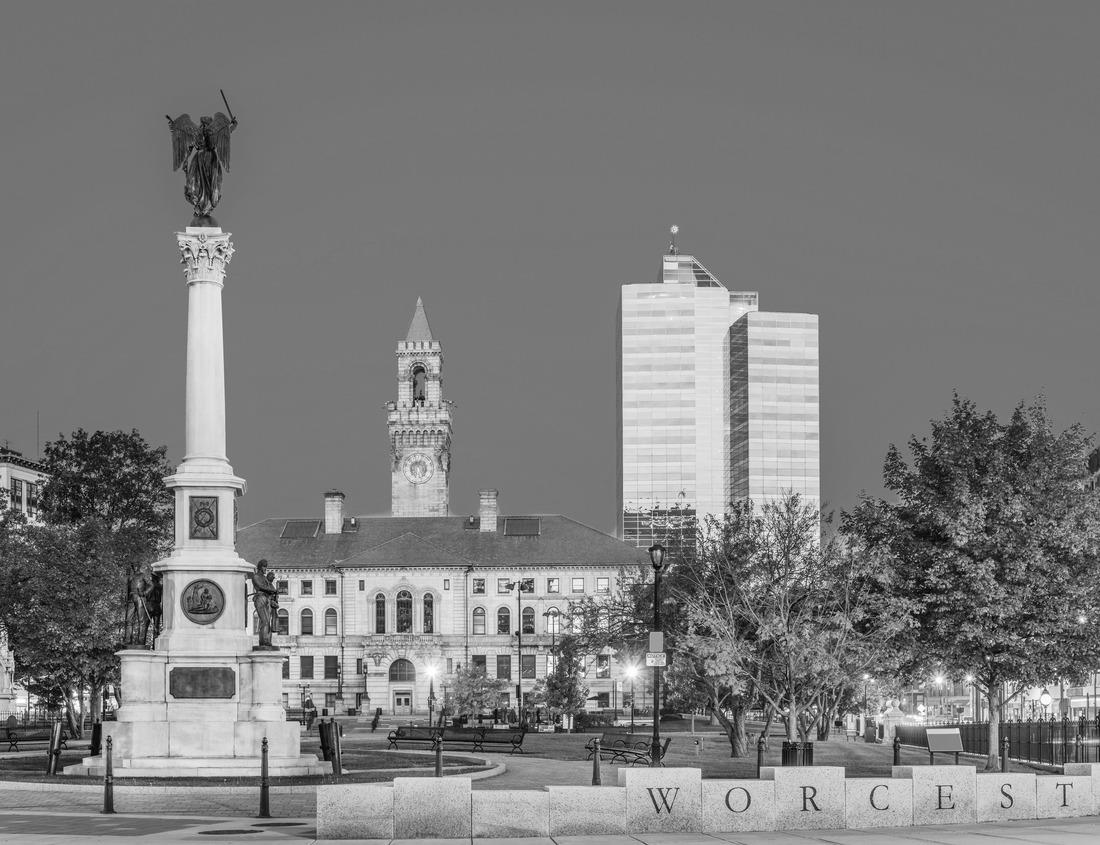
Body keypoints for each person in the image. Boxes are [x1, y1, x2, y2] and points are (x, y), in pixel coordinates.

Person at [251, 559, 278, 649]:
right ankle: (263, 641)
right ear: (260, 567)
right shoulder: (256, 576)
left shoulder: (264, 577)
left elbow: (269, 586)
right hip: (260, 599)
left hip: (267, 599)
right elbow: (260, 587)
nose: (265, 568)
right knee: (265, 621)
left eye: (266, 566)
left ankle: (267, 641)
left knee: (268, 622)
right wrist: (272, 590)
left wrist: (273, 594)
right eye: (264, 566)